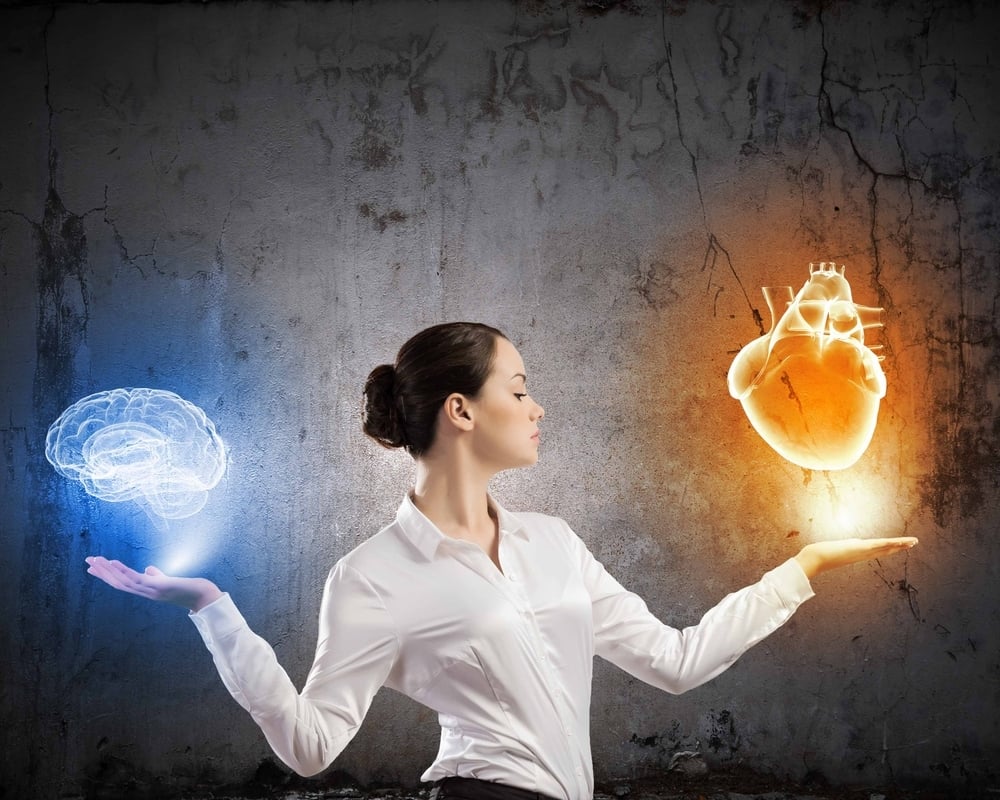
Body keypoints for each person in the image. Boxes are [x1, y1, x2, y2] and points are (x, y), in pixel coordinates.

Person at [86, 321, 918, 800]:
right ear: (460, 410)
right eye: (518, 389)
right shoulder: (372, 577)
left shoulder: (552, 542)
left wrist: (801, 570)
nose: (537, 405)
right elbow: (310, 746)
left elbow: (675, 660)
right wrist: (212, 612)